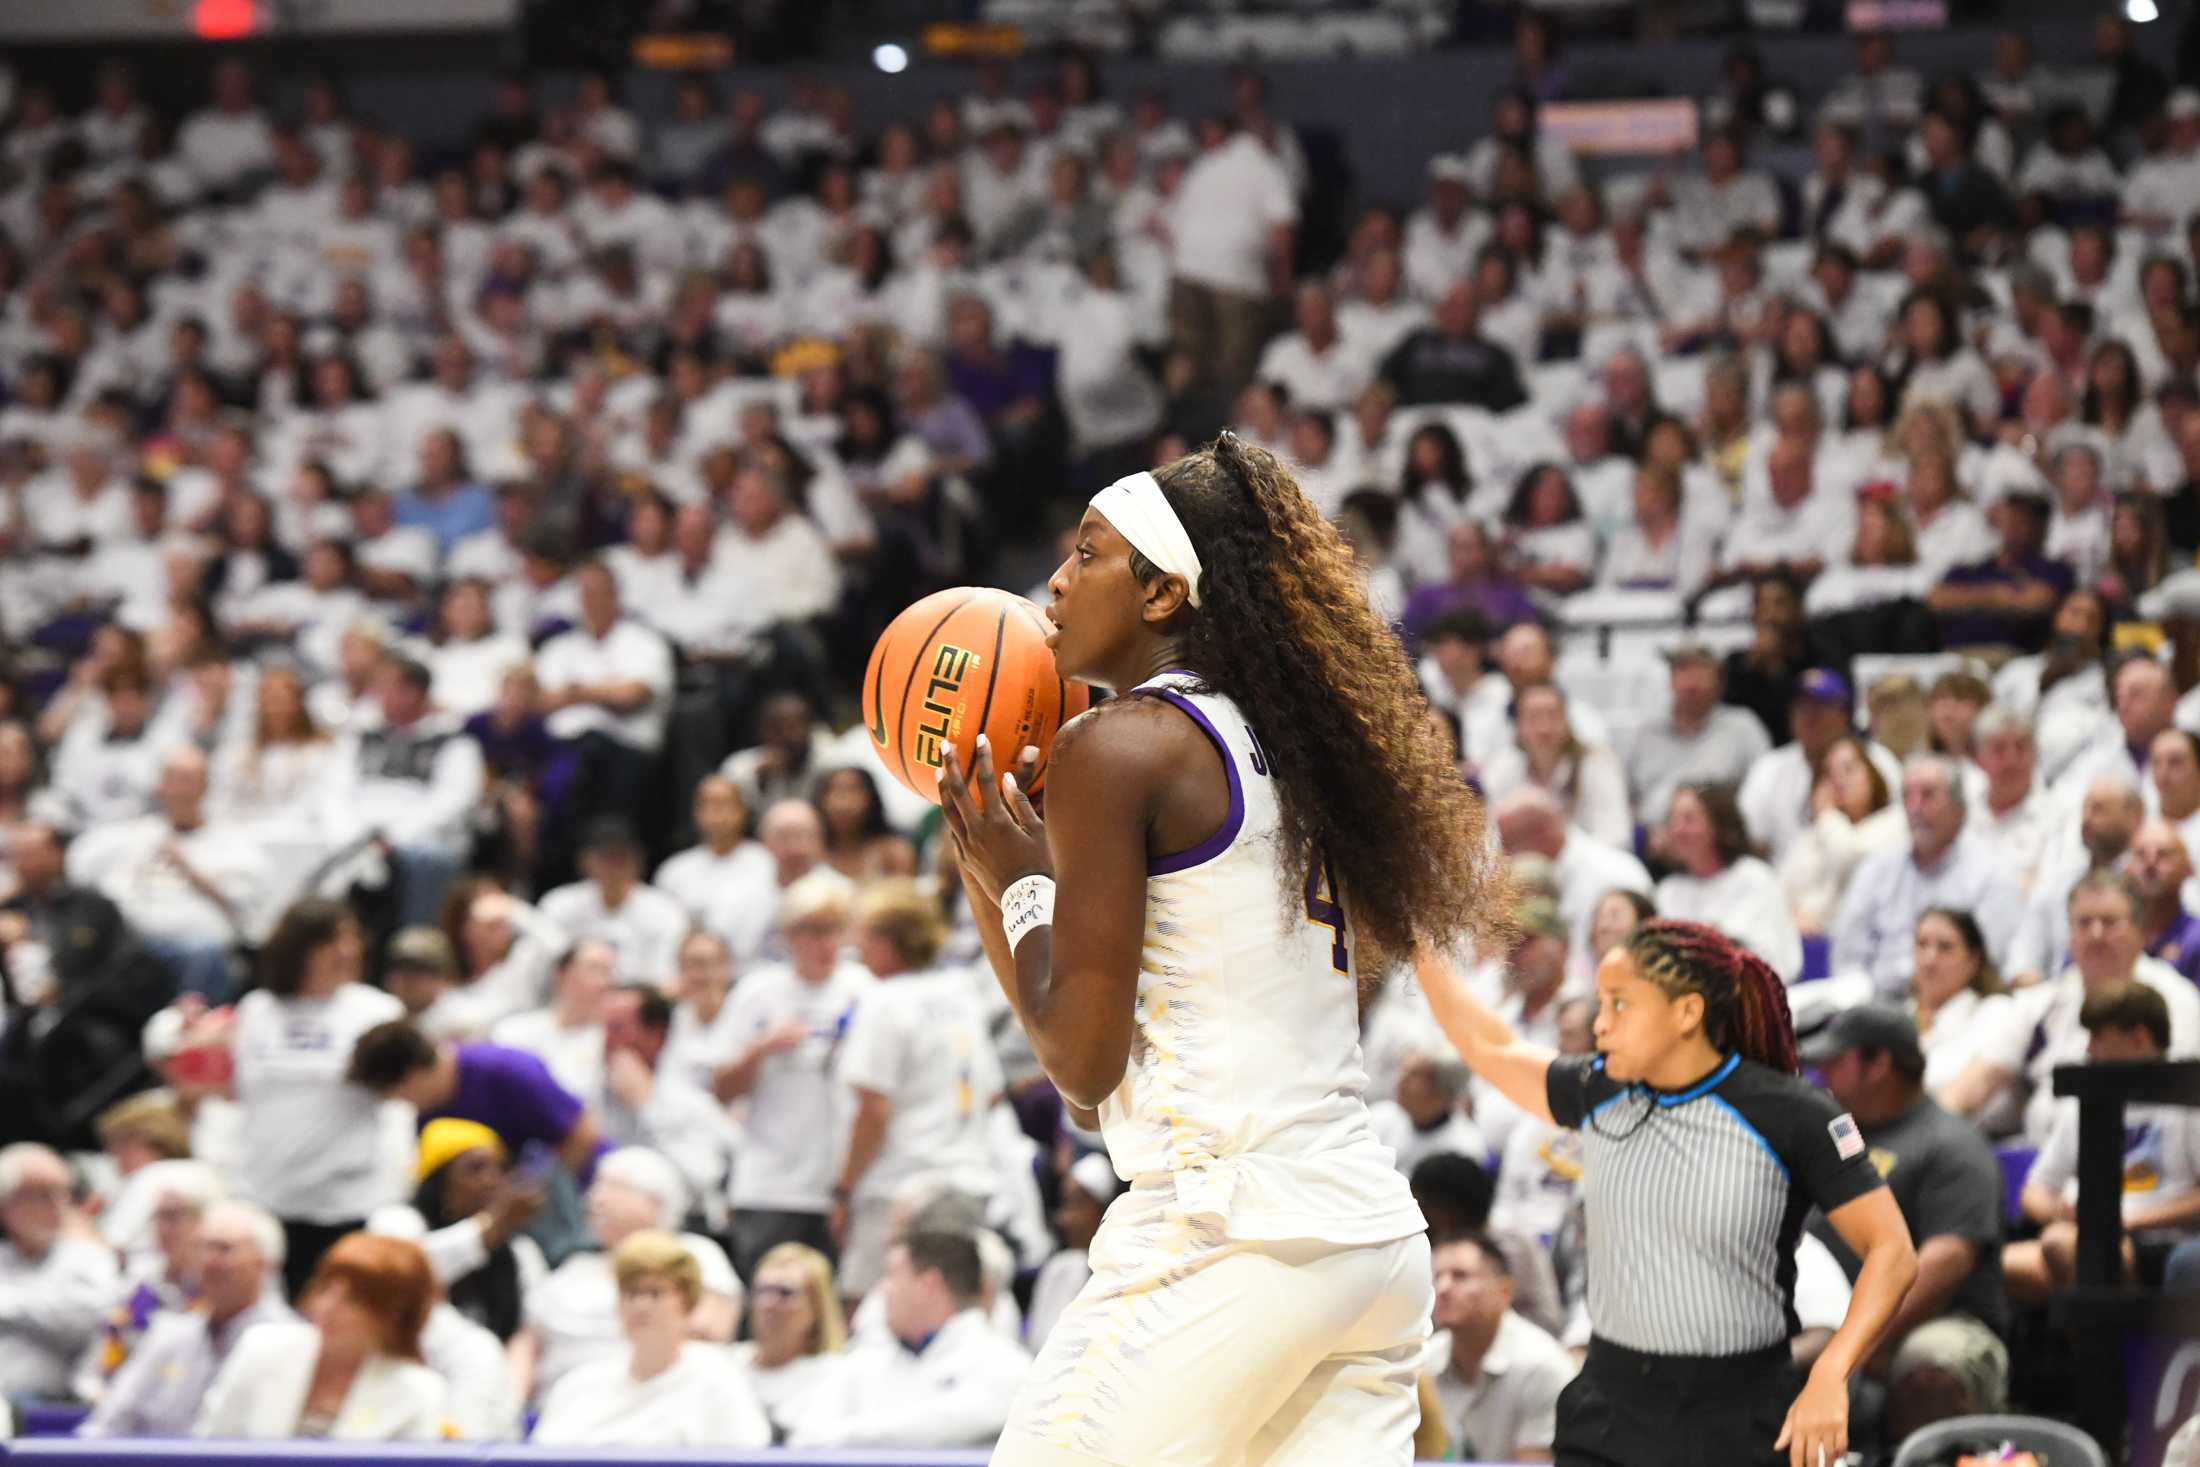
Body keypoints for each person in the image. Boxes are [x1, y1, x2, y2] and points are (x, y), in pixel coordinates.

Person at [939, 435, 1501, 1466]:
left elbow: (1076, 1060)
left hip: (1229, 1231)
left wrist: (1018, 880)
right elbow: (1093, 1082)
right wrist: (997, 868)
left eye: (1088, 554)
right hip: (1362, 1242)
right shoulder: (1281, 741)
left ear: (1161, 595)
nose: (1054, 584)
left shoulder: (1115, 747)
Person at [1415, 921, 1917, 1467]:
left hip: (1738, 1417)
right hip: (1609, 1409)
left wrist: (1831, 1371)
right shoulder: (1596, 1090)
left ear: (1687, 1013)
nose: (1601, 1026)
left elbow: (1892, 1251)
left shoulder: (1792, 1114)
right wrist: (1414, 933)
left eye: (1621, 1004)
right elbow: (1490, 1044)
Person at [1800, 1005, 2010, 1415]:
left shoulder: (1951, 1144)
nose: (1821, 1074)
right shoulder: (1838, 1133)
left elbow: (1945, 1263)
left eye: (1835, 1061)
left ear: (1878, 1065)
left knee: (1930, 1359)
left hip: (1935, 1320)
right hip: (1826, 1311)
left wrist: (1855, 1340)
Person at [830, 879, 1003, 1298]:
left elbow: (874, 1110)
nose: (858, 947)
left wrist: (843, 1189)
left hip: (900, 1187)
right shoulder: (961, 993)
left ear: (889, 943)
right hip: (967, 1181)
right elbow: (993, 1092)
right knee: (954, 1308)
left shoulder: (883, 1001)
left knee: (869, 1307)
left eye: (864, 935)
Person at [231, 898, 409, 1298]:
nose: (346, 953)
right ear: (299, 949)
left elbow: (403, 1096)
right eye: (331, 943)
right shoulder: (258, 1010)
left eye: (351, 941)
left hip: (343, 1204)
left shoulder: (377, 1012)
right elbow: (237, 1093)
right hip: (266, 1196)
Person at [714, 876, 873, 1280]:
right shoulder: (757, 992)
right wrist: (761, 1048)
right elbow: (721, 1089)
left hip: (842, 1187)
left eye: (834, 929)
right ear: (788, 936)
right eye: (812, 931)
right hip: (770, 1186)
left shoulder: (865, 990)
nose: (825, 943)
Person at [2005, 982, 2200, 1297]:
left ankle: (2115, 1344)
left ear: (2138, 1038)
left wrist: (2126, 1220)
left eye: (2097, 1037)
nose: (2088, 1050)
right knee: (1993, 1265)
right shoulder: (2087, 1096)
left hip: (2163, 1238)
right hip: (2089, 1234)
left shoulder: (2188, 1096)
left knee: (2062, 1246)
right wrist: (2065, 1212)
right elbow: (2034, 1192)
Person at [787, 1229, 1032, 1449]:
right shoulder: (864, 1361)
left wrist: (846, 1435)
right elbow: (804, 1437)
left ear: (929, 1283)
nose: (882, 1290)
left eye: (891, 1275)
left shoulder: (1007, 1365)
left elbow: (942, 1427)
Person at [193, 1232, 448, 1440]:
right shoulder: (262, 1347)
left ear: (391, 1315)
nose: (326, 1307)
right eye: (326, 1289)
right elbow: (210, 1446)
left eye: (352, 1300)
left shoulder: (419, 1391)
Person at [531, 1230, 771, 1447]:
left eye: (655, 1293)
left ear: (687, 1303)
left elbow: (745, 1456)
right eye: (631, 1293)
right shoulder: (579, 1384)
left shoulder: (719, 1378)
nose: (641, 1305)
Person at [80, 1200, 292, 1438]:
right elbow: (109, 1424)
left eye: (224, 1249)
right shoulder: (169, 1334)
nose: (210, 1262)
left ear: (266, 1263)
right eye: (203, 1248)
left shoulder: (291, 1341)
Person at [1831, 756, 2023, 998]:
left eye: (1928, 795)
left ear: (1959, 808)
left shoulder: (1993, 874)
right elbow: (1847, 958)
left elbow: (1987, 961)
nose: (1915, 807)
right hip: (1874, 1008)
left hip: (1957, 1008)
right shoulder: (1875, 869)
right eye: (1907, 797)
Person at [1422, 1230, 1579, 1463]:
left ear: (1504, 1291)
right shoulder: (1422, 1363)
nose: (1443, 1288)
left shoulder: (1544, 1367)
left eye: (1461, 1276)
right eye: (1437, 1276)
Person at [0, 1142, 122, 1398]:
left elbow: (85, 1317)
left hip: (51, 1408)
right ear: (7, 1203)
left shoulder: (87, 1256)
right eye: (42, 1195)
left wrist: (7, 1303)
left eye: (63, 1193)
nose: (57, 1205)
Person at [1653, 783, 1804, 984]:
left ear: (1719, 825)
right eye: (1673, 819)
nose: (1678, 829)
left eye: (1690, 819)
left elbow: (1777, 960)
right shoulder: (1667, 891)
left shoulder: (1755, 878)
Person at [1626, 644, 1772, 831]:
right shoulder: (1646, 735)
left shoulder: (1743, 728)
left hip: (1721, 845)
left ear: (1719, 683)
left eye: (1701, 671)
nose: (1691, 682)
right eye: (1683, 670)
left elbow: (1766, 794)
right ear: (1670, 682)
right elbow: (1626, 800)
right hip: (1653, 846)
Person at [728, 1242, 847, 1440]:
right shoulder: (725, 1365)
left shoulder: (837, 1374)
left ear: (816, 1307)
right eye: (763, 1290)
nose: (769, 1303)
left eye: (785, 1293)